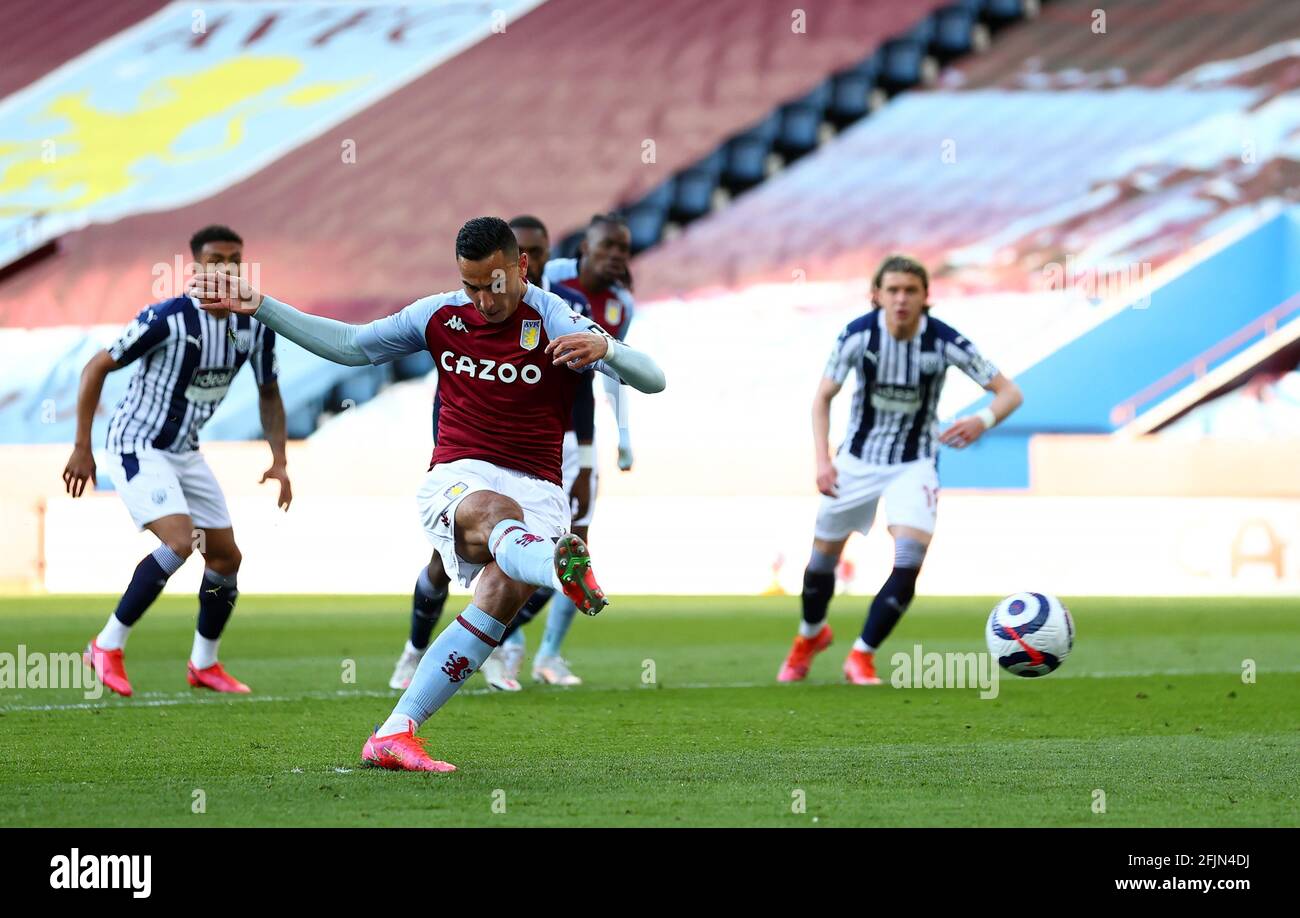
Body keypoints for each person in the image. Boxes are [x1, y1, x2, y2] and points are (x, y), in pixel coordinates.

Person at [188, 216, 666, 771]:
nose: (484, 299)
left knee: (496, 598)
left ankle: (394, 732)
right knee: (496, 515)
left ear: (522, 268)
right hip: (460, 475)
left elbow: (653, 378)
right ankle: (556, 565)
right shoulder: (438, 314)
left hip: (541, 487)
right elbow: (348, 345)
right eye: (471, 285)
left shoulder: (555, 315)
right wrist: (260, 304)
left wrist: (605, 348)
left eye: (495, 284)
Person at [64, 224, 291, 697]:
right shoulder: (167, 319)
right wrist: (82, 446)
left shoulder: (253, 325)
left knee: (226, 557)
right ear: (196, 265)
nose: (225, 267)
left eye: (234, 258)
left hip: (184, 450)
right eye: (215, 259)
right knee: (180, 540)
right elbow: (96, 366)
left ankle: (203, 663)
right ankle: (106, 645)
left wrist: (279, 459)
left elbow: (269, 391)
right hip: (136, 443)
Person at [778, 255, 1023, 685]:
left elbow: (1009, 392)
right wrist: (823, 460)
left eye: (910, 291)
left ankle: (862, 655)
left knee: (909, 559)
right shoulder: (857, 336)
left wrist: (981, 420)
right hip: (855, 461)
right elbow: (822, 399)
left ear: (926, 297)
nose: (901, 299)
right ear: (877, 295)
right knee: (821, 563)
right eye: (892, 290)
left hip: (915, 462)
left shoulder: (945, 342)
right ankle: (810, 636)